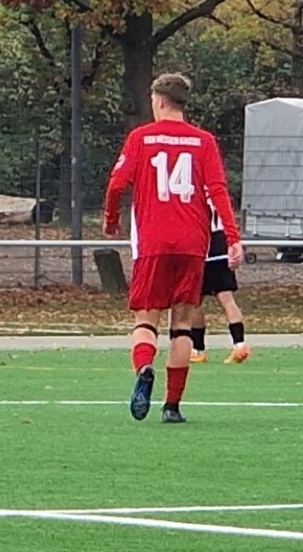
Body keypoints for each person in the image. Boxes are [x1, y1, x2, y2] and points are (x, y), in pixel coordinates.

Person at [103, 73, 242, 424]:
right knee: (182, 324)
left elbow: (117, 184)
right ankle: (172, 406)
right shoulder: (204, 141)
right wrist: (233, 237)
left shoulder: (141, 138)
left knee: (145, 318)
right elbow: (218, 191)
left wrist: (110, 220)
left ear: (160, 101)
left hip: (153, 242)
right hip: (193, 244)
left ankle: (144, 368)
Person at [186, 202, 251, 365]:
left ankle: (198, 349)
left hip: (202, 246)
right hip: (221, 244)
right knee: (227, 300)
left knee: (194, 302)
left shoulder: (194, 193)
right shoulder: (218, 195)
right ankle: (240, 344)